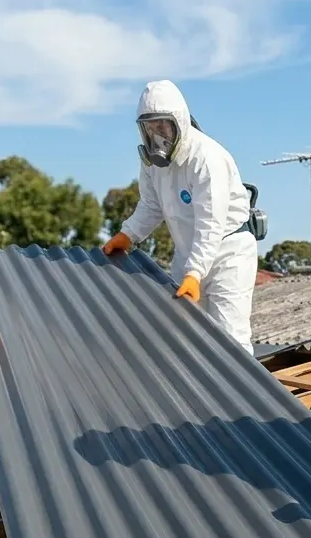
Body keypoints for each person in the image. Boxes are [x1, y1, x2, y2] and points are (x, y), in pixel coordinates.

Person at [102, 80, 258, 353]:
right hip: (188, 255)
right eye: (150, 128)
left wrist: (195, 273)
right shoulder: (152, 163)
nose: (157, 136)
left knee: (232, 339)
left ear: (180, 123)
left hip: (227, 254)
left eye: (163, 126)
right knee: (182, 336)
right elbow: (151, 205)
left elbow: (211, 224)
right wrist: (128, 235)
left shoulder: (206, 158)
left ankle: (238, 393)